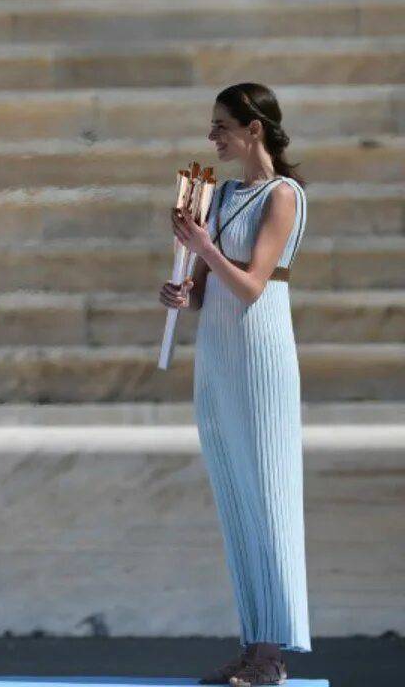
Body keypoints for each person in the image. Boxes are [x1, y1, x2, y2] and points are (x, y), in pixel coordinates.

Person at [160, 83, 309, 687]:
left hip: (262, 356)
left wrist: (203, 246)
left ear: (255, 129)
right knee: (237, 502)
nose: (213, 137)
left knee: (271, 499)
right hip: (218, 357)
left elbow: (252, 285)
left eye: (223, 125)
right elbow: (203, 292)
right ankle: (252, 645)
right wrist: (179, 289)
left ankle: (273, 654)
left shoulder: (285, 196)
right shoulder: (219, 196)